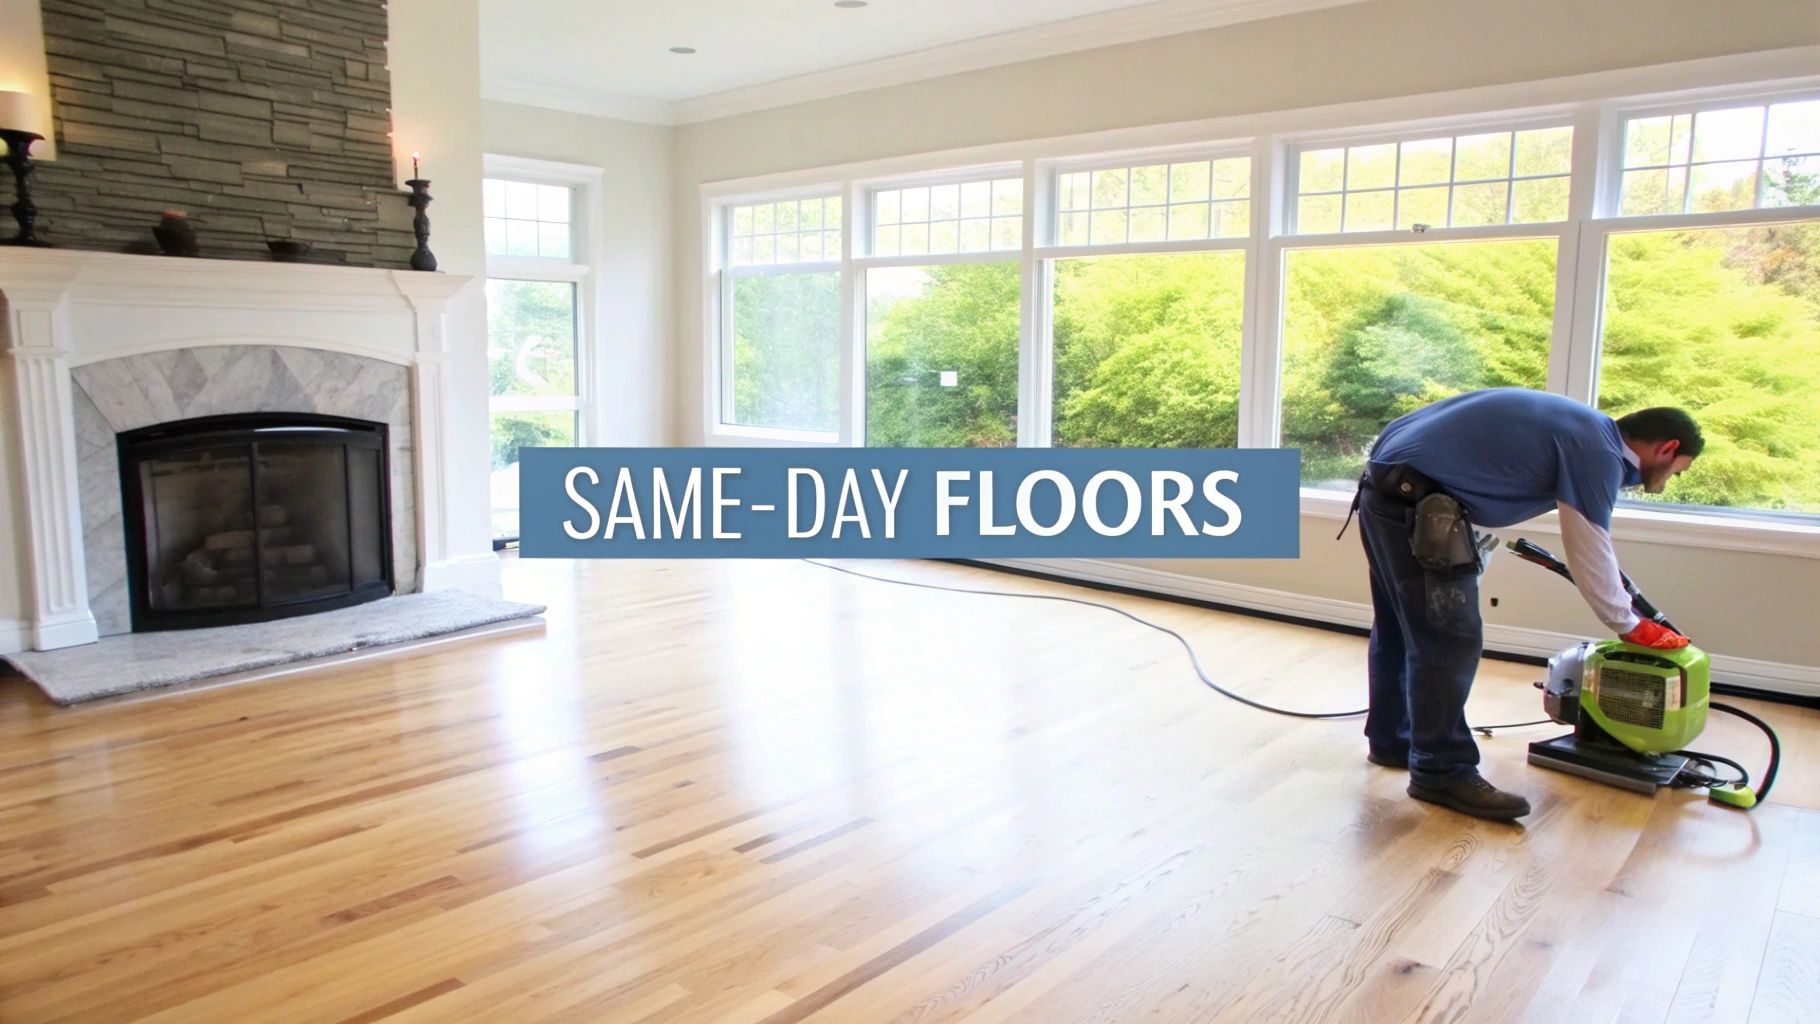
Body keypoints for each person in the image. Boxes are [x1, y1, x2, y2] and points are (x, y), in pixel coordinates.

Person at [1352, 388, 1701, 821]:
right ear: (1668, 448)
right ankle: (1441, 771)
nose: (1667, 482)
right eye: (1676, 471)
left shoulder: (1580, 426)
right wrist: (1628, 624)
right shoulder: (1598, 450)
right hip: (1417, 504)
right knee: (1450, 641)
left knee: (1401, 627)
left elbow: (1471, 462)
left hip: (1385, 491)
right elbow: (1589, 543)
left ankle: (1392, 740)